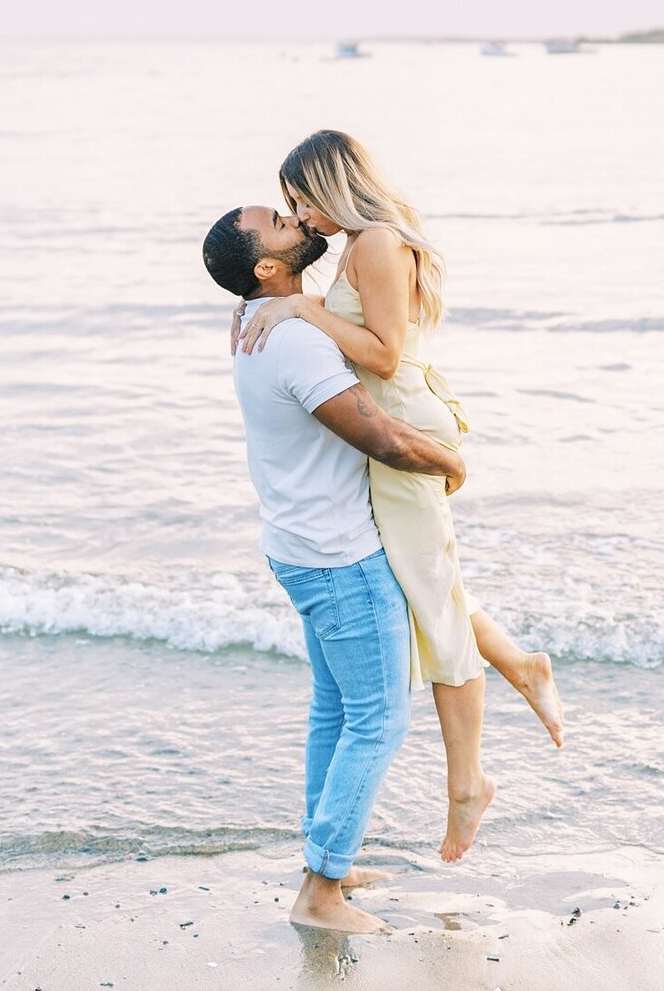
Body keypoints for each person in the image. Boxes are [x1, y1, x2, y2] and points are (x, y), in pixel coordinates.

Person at [234, 129, 564, 865]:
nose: (302, 218)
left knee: (431, 595)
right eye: (289, 209)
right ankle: (520, 667)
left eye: (301, 201)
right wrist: (290, 307)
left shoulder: (377, 243)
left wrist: (302, 311)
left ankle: (469, 782)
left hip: (402, 426)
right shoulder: (359, 244)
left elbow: (383, 352)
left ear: (333, 185)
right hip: (393, 424)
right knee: (428, 581)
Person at [202, 201, 465, 934]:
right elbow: (377, 433)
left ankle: (331, 862)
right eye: (281, 224)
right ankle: (321, 893)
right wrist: (451, 463)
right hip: (339, 557)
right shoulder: (294, 344)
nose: (297, 222)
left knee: (335, 710)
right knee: (379, 719)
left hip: (297, 547)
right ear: (266, 266)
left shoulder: (261, 320)